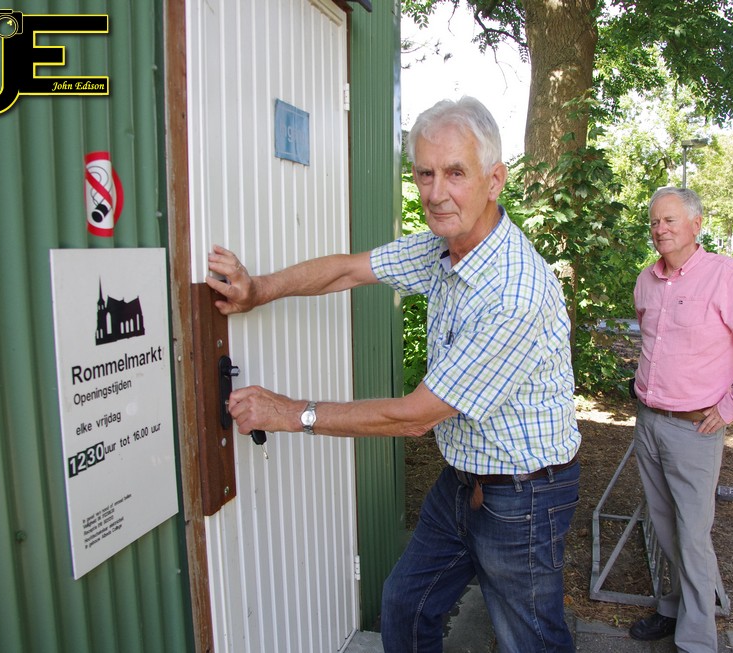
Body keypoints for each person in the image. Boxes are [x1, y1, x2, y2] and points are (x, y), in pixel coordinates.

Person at [206, 96, 581, 653]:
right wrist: (257, 289)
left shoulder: (514, 292)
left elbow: (413, 417)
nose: (436, 192)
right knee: (406, 606)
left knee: (530, 641)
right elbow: (347, 270)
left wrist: (289, 413)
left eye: (455, 173)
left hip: (525, 496)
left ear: (494, 180)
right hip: (464, 481)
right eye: (425, 173)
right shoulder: (444, 247)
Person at [628, 187, 733, 652]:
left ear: (696, 225)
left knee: (693, 537)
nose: (660, 229)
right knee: (664, 526)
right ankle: (673, 607)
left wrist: (730, 406)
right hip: (649, 421)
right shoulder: (646, 280)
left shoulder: (725, 275)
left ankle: (697, 640)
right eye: (654, 221)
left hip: (695, 430)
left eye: (670, 220)